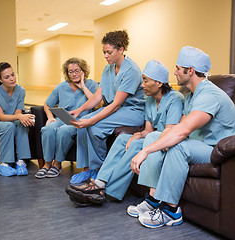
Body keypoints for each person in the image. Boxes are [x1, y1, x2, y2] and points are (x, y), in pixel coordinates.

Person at [127, 46, 235, 228]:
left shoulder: (209, 95)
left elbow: (182, 132)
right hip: (201, 145)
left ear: (190, 71)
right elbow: (178, 128)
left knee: (178, 146)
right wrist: (155, 141)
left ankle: (171, 211)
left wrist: (145, 152)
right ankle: (153, 200)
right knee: (154, 137)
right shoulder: (190, 96)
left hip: (220, 151)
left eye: (178, 68)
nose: (174, 73)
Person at [65, 60, 184, 206]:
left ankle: (106, 191)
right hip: (152, 138)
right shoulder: (150, 100)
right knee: (123, 140)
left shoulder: (175, 99)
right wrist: (136, 135)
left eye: (145, 81)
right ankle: (99, 182)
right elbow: (147, 130)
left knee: (134, 146)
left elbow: (169, 133)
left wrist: (140, 141)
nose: (141, 85)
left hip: (165, 142)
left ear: (159, 83)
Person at [68, 30, 145, 184]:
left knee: (94, 127)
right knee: (82, 122)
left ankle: (101, 170)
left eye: (109, 52)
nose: (105, 56)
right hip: (117, 108)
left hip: (133, 111)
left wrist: (92, 121)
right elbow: (98, 96)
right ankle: (87, 168)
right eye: (104, 52)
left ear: (121, 49)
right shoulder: (108, 68)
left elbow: (116, 105)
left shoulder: (131, 70)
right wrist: (80, 109)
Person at [35, 57, 98, 178]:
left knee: (64, 131)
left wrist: (83, 87)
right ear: (67, 73)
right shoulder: (61, 87)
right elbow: (47, 104)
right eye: (71, 71)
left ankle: (57, 164)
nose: (74, 74)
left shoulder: (92, 85)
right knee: (47, 129)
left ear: (83, 71)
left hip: (81, 120)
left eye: (77, 70)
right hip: (62, 118)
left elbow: (98, 104)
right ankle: (47, 164)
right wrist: (49, 117)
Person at [0, 62, 35, 177]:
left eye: (13, 75)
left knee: (21, 123)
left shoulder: (20, 91)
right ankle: (3, 164)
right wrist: (19, 116)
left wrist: (24, 118)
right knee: (9, 125)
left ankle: (20, 162)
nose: (12, 79)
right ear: (0, 79)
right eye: (7, 77)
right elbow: (1, 117)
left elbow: (17, 114)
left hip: (10, 122)